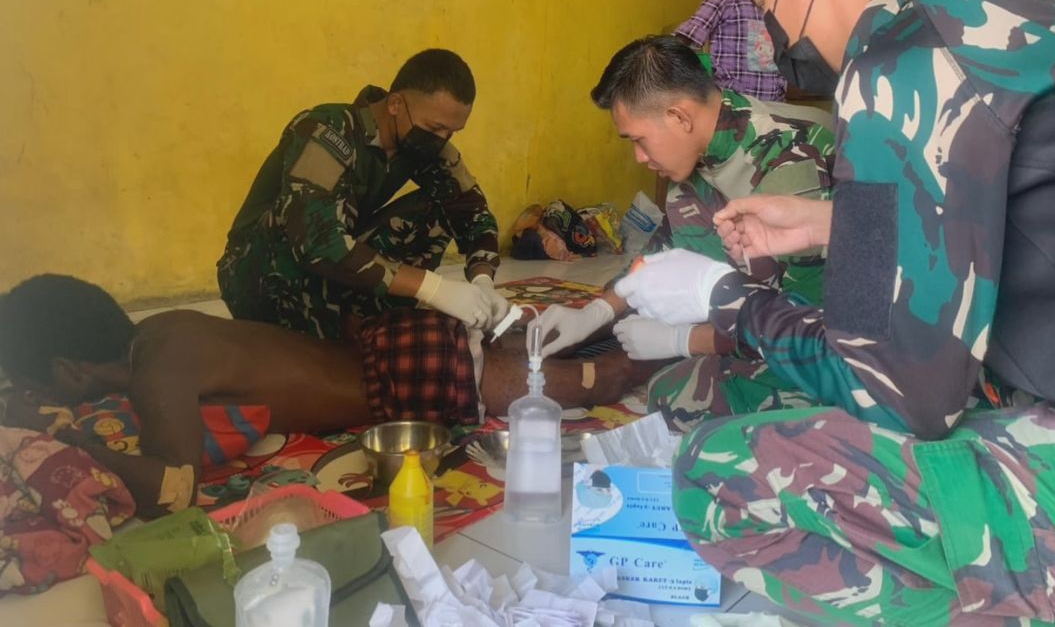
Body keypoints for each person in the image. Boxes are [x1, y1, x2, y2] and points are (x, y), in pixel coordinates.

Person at [616, 0, 1055, 626]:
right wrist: (835, 221)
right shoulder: (1031, 0)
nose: (773, 40)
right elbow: (1020, 208)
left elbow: (898, 398)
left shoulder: (897, 58)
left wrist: (722, 296)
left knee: (715, 473)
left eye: (766, 8)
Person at [0, 275, 660, 518]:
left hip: (412, 373)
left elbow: (171, 491)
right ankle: (658, 330)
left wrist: (66, 438)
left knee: (603, 378)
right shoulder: (163, 329)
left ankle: (684, 340)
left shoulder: (157, 368)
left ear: (68, 371)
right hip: (400, 349)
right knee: (559, 353)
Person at [538, 36, 833, 424]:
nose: (638, 157)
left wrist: (687, 340)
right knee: (660, 367)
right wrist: (597, 311)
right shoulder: (698, 156)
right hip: (752, 312)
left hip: (834, 353)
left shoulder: (787, 162)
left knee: (683, 401)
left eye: (639, 140)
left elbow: (808, 324)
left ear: (680, 117)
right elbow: (659, 255)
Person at [217, 49, 508, 342]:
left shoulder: (420, 142)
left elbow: (473, 212)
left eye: (453, 132)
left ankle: (361, 321)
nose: (442, 139)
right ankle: (320, 326)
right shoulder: (325, 131)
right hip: (255, 272)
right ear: (395, 104)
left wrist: (483, 280)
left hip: (323, 268)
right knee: (308, 224)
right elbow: (316, 242)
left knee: (441, 205)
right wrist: (434, 288)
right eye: (435, 127)